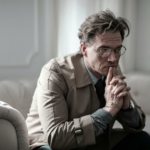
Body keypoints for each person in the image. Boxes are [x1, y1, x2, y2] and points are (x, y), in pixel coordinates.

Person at [26, 10, 150, 150]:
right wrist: (108, 110)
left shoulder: (111, 67)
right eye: (104, 49)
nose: (113, 59)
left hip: (93, 143)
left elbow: (136, 125)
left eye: (117, 49)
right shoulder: (55, 72)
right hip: (47, 144)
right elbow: (56, 138)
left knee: (142, 139)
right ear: (84, 49)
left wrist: (127, 108)